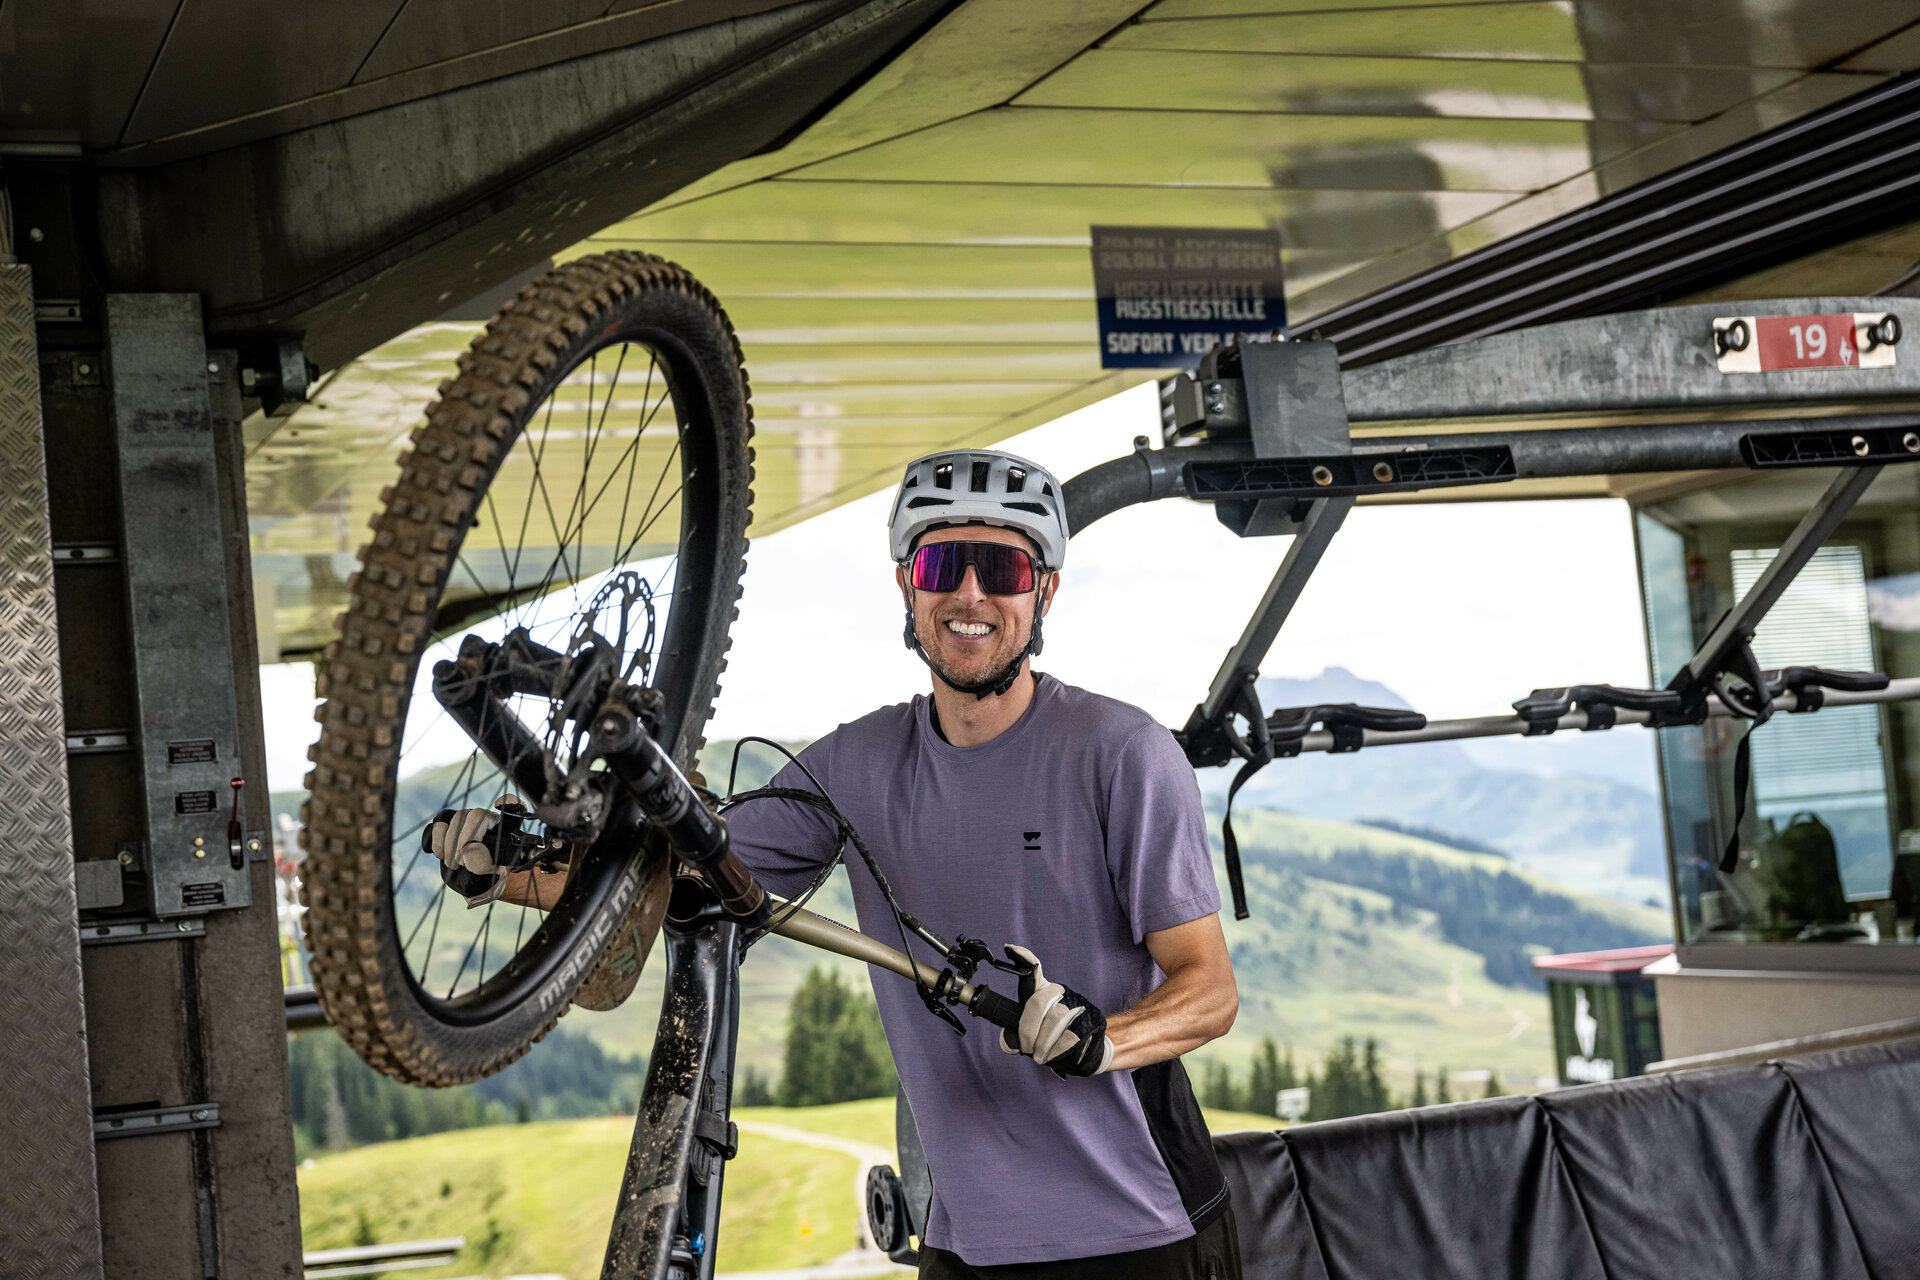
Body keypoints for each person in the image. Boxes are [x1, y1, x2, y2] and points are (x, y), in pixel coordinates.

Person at [434, 448, 1241, 1278]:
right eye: (941, 563)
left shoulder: (1122, 754)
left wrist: (1105, 1038)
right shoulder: (854, 767)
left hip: (1146, 1229)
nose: (969, 593)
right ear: (907, 585)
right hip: (964, 1243)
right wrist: (509, 873)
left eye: (1000, 566)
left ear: (1042, 590)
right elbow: (685, 882)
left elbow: (1209, 989)